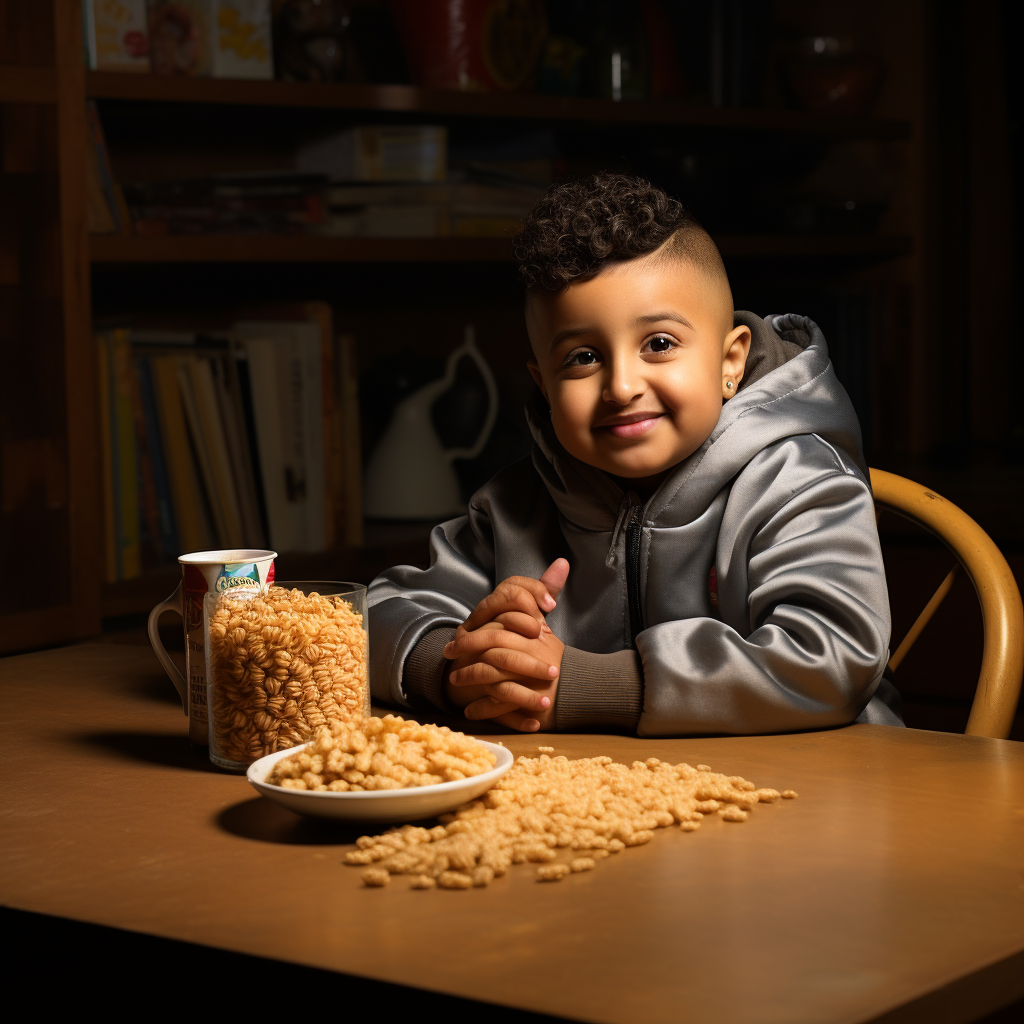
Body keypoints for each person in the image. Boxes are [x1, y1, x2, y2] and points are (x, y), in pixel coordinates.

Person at [367, 173, 902, 735]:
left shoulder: (797, 481)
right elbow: (367, 617)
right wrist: (463, 665)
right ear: (543, 384)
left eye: (659, 344)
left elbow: (834, 658)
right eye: (581, 357)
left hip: (816, 793)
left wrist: (586, 685)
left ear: (731, 362)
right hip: (604, 802)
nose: (621, 385)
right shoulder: (511, 507)